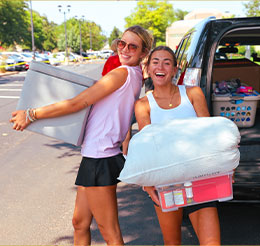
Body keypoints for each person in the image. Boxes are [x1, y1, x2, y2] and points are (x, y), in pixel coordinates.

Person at [10, 25, 153, 246]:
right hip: (96, 156)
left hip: (101, 157)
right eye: (121, 43)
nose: (124, 49)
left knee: (110, 232)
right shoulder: (134, 75)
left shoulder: (122, 73)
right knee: (80, 222)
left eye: (132, 46)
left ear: (143, 52)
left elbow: (79, 102)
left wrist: (31, 114)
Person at [134, 46, 221, 246]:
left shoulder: (193, 93)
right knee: (172, 242)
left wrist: (223, 167)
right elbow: (147, 148)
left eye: (167, 62)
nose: (160, 66)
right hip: (166, 181)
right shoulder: (143, 104)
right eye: (155, 61)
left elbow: (209, 135)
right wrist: (148, 185)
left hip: (200, 176)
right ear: (148, 68)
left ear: (175, 70)